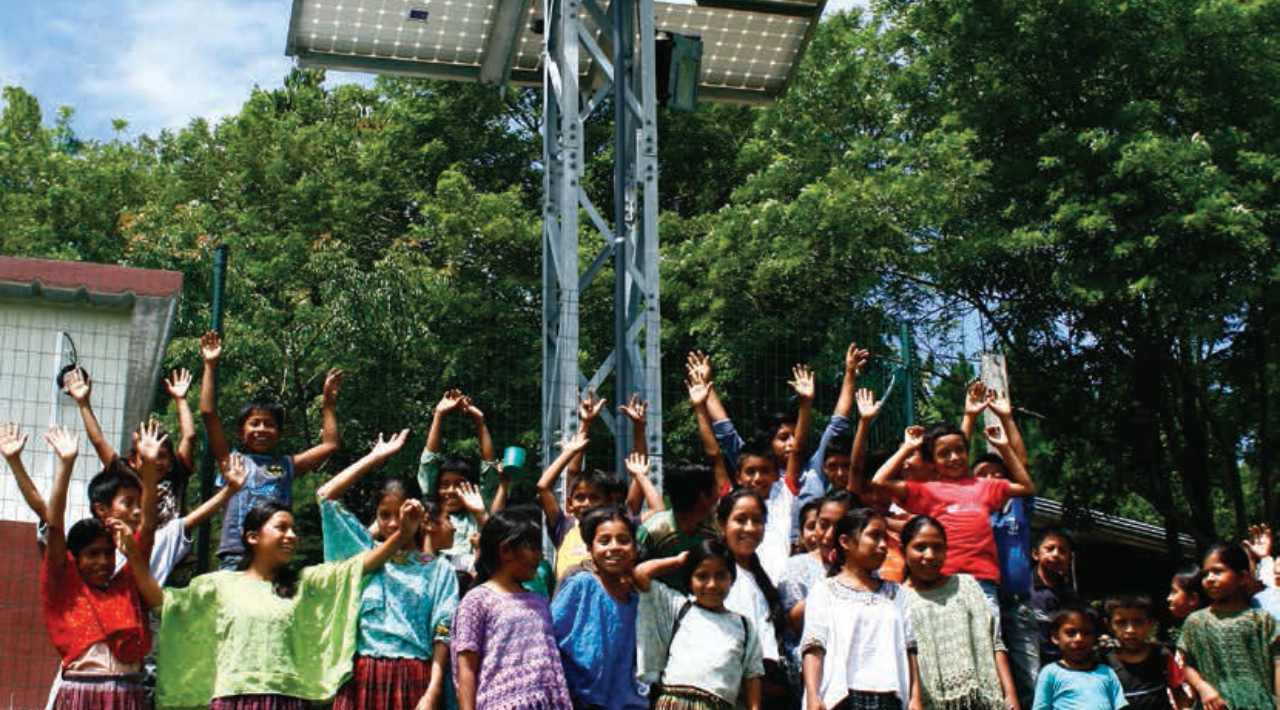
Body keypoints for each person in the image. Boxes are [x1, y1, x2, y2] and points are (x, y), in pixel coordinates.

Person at [147, 497, 420, 710]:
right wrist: (132, 554)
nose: (291, 535)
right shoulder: (218, 586)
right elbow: (165, 604)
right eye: (281, 527)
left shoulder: (305, 584)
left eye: (293, 530)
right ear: (252, 537)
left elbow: (358, 567)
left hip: (289, 698)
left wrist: (401, 535)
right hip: (233, 698)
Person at [316, 429, 460, 710]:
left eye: (402, 513)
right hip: (362, 675)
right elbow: (325, 497)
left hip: (414, 678)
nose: (393, 523)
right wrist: (375, 456)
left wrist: (432, 693)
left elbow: (443, 634)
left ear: (421, 515)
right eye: (384, 515)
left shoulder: (439, 571)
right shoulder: (364, 553)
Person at [29, 426, 153, 710]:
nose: (102, 561)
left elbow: (146, 530)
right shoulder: (65, 585)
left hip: (128, 689)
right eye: (92, 554)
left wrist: (149, 470)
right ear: (74, 558)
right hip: (81, 689)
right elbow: (54, 522)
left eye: (107, 554)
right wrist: (66, 464)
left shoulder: (127, 581)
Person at [199, 331, 344, 570]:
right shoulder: (232, 460)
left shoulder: (286, 465)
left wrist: (328, 403)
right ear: (241, 432)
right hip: (236, 554)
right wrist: (210, 365)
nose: (262, 429)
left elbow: (330, 445)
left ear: (279, 433)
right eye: (254, 423)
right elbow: (207, 413)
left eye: (269, 424)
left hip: (275, 555)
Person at [872, 421, 1034, 616]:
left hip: (982, 582)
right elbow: (879, 482)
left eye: (960, 450)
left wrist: (1004, 447)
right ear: (931, 462)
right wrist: (907, 448)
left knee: (985, 643)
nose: (954, 457)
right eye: (944, 453)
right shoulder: (927, 490)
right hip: (942, 580)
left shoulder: (984, 486)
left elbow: (1026, 487)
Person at [452, 507, 572, 710]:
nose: (538, 557)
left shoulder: (540, 603)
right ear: (506, 550)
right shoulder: (476, 601)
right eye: (532, 549)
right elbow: (466, 667)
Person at [801, 507, 918, 710]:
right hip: (842, 699)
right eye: (874, 536)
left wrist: (915, 698)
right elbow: (813, 646)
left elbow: (910, 649)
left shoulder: (897, 593)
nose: (883, 546)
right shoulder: (825, 591)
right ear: (845, 542)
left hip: (890, 698)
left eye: (885, 539)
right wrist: (812, 695)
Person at [969, 385, 1038, 710]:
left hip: (1019, 604)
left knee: (1030, 680)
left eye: (1000, 475)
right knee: (990, 681)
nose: (994, 479)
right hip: (982, 600)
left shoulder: (1017, 505)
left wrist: (1007, 418)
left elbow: (1021, 464)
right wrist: (969, 417)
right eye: (984, 475)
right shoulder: (970, 508)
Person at [901, 515, 1016, 710]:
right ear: (903, 550)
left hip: (981, 702)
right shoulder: (900, 600)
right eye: (920, 547)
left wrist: (1011, 695)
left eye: (937, 547)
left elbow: (995, 643)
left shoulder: (967, 586)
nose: (929, 555)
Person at [635, 540, 764, 710]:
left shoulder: (744, 626)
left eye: (720, 576)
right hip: (672, 704)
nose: (712, 584)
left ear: (731, 579)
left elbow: (752, 676)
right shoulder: (678, 608)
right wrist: (678, 561)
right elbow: (639, 575)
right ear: (689, 580)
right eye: (702, 576)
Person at [63, 367, 196, 527]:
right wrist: (83, 403)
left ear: (171, 460)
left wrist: (181, 399)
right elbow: (98, 441)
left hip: (173, 549)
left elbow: (189, 436)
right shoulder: (127, 477)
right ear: (132, 460)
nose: (154, 460)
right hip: (138, 547)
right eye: (146, 456)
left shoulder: (177, 474)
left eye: (161, 455)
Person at [551, 506, 647, 710]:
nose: (614, 547)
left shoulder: (637, 601)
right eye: (604, 541)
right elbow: (548, 638)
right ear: (590, 547)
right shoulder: (580, 585)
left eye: (623, 540)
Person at [1178, 544, 1280, 710]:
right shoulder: (1196, 622)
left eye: (1218, 571)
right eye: (1205, 574)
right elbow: (1186, 664)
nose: (1210, 579)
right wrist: (1203, 688)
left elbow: (1278, 664)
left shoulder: (1262, 620)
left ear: (1242, 577)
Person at [416, 389, 508, 569]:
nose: (450, 491)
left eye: (459, 485)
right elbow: (429, 463)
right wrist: (439, 415)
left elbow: (489, 469)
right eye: (444, 485)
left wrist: (479, 422)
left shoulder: (476, 513)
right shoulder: (432, 512)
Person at [718, 488, 791, 709]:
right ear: (722, 523)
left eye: (757, 521)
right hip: (733, 688)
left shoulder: (760, 576)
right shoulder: (716, 576)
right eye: (740, 520)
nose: (750, 528)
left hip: (765, 685)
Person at [779, 492, 857, 690]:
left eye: (839, 527)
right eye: (823, 524)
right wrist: (832, 578)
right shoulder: (796, 567)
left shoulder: (868, 570)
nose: (829, 534)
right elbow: (795, 624)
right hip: (813, 674)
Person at [535, 429, 624, 581]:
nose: (586, 504)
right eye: (580, 498)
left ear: (607, 502)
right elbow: (543, 487)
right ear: (569, 503)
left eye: (594, 497)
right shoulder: (564, 526)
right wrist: (569, 451)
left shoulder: (614, 530)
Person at [637, 461, 720, 592]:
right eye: (716, 489)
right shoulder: (653, 531)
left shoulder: (715, 531)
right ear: (703, 497)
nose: (719, 495)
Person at [1031, 606, 1128, 710]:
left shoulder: (1106, 672)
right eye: (1071, 633)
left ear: (1095, 637)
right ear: (1056, 637)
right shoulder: (1051, 673)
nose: (1079, 639)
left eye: (1086, 633)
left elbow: (1119, 706)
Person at [1104, 595, 1189, 710]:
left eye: (1138, 622)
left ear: (1150, 623)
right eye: (1121, 623)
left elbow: (1178, 692)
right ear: (1109, 625)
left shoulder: (1162, 656)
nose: (1130, 630)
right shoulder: (1104, 663)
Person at [1032, 529, 1079, 668]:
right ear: (1036, 554)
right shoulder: (1022, 588)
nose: (1056, 554)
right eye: (1050, 549)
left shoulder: (1070, 596)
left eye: (1062, 551)